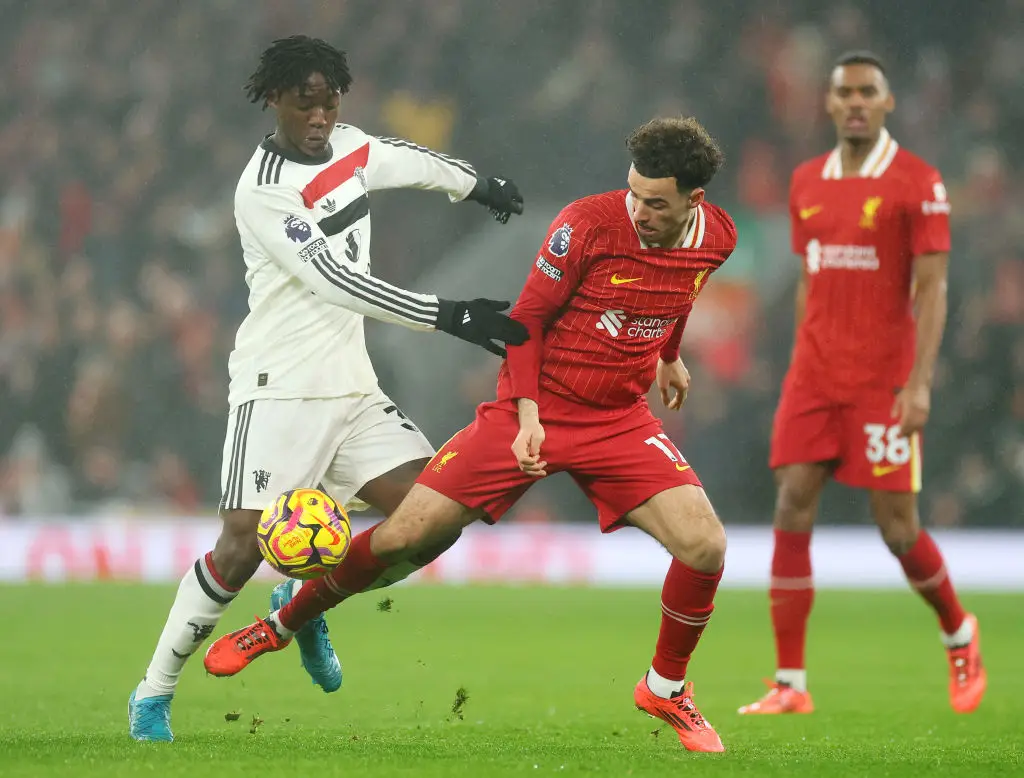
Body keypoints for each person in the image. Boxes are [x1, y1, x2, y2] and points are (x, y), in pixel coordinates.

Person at [204, 117, 738, 753]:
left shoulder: (719, 237)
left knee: (705, 545)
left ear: (693, 201)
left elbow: (679, 292)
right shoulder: (588, 223)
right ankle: (282, 624)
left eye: (655, 203)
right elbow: (527, 323)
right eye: (633, 193)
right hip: (530, 410)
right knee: (406, 533)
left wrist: (669, 355)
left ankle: (666, 687)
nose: (640, 210)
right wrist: (531, 416)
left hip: (619, 420)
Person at [128, 35, 528, 742]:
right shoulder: (263, 188)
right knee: (239, 547)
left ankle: (303, 605)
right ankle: (153, 694)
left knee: (432, 518)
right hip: (277, 388)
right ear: (274, 99)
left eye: (329, 100)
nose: (318, 114)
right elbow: (336, 281)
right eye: (304, 101)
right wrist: (452, 314)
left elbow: (403, 160)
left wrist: (476, 184)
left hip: (352, 388)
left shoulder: (348, 143)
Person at [737, 51, 985, 716]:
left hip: (882, 379)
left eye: (866, 92)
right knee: (792, 502)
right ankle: (791, 683)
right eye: (843, 91)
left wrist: (919, 383)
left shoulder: (917, 182)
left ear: (887, 102)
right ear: (827, 103)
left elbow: (931, 291)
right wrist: (798, 361)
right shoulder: (806, 181)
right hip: (815, 374)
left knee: (897, 527)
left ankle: (959, 631)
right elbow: (810, 279)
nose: (853, 102)